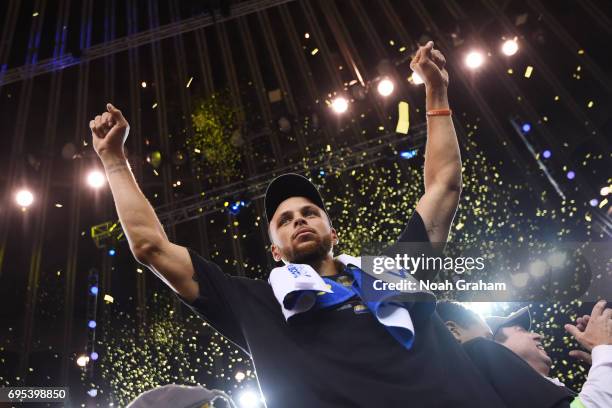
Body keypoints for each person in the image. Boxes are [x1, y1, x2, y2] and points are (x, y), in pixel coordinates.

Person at [89, 42, 508, 407]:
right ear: (275, 251)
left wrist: (436, 92)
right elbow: (150, 247)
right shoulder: (255, 303)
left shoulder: (388, 271)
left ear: (333, 232)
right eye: (284, 220)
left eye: (309, 213)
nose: (299, 220)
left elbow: (444, 186)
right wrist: (113, 160)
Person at [488, 302, 612, 408]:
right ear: (496, 348)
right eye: (521, 330)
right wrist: (602, 349)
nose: (538, 336)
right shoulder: (506, 398)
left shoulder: (554, 392)